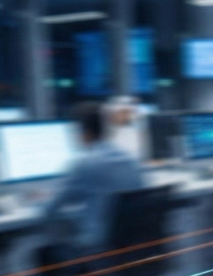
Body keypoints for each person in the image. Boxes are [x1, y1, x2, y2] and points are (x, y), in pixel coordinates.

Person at [45, 101, 144, 253]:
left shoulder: (84, 163)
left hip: (98, 250)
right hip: (131, 249)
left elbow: (49, 210)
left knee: (42, 251)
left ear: (86, 133)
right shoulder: (131, 160)